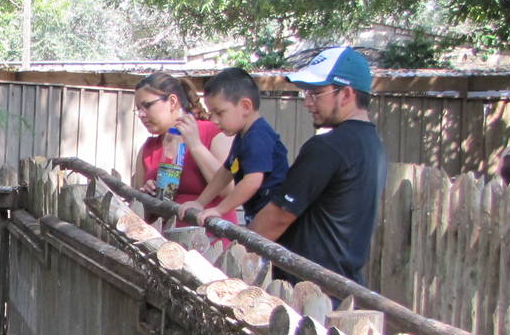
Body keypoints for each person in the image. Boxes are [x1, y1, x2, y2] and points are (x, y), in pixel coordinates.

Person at [249, 46, 387, 284]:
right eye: (307, 93)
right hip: (344, 284)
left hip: (308, 288)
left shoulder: (328, 146)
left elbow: (278, 217)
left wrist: (238, 251)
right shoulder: (374, 145)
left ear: (346, 94)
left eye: (316, 93)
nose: (308, 102)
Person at [184, 67, 289, 225]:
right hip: (258, 215)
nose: (214, 120)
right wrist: (200, 202)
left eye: (220, 113)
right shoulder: (242, 136)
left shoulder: (258, 136)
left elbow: (252, 181)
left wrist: (220, 209)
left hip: (273, 219)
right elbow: (226, 172)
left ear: (245, 107)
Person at [130, 72, 234, 225]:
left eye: (147, 105)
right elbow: (137, 209)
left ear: (172, 102)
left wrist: (195, 145)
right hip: (163, 243)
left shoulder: (214, 132)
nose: (141, 114)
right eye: (138, 109)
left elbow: (229, 190)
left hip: (211, 241)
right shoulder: (148, 149)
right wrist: (146, 195)